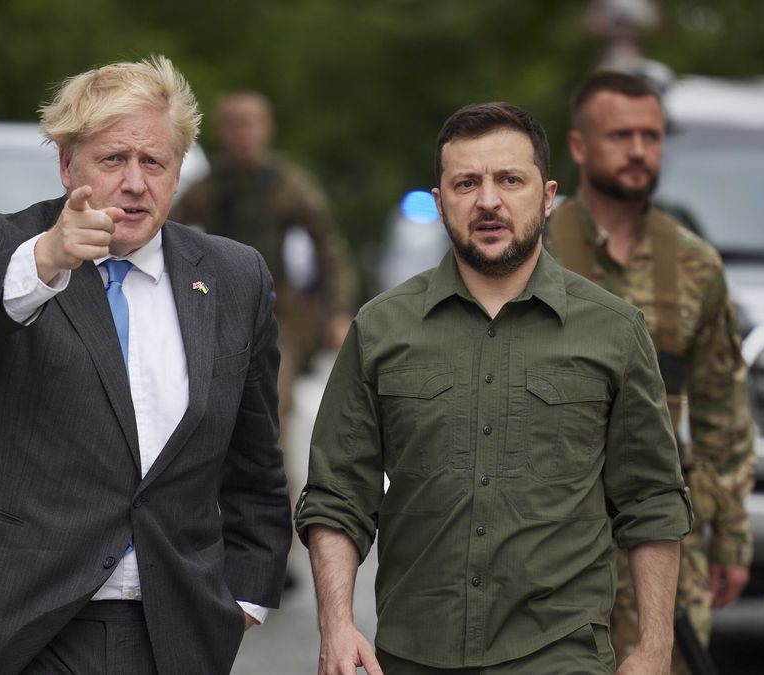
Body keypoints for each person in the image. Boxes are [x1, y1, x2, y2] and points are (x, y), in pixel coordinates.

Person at [0, 56, 292, 675]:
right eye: (113, 159)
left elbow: (255, 463)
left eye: (154, 162)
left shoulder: (234, 276)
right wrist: (46, 260)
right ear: (67, 165)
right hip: (16, 629)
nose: (135, 182)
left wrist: (244, 597)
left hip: (172, 632)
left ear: (178, 172)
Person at [296, 102, 693, 675]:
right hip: (414, 653)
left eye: (510, 180)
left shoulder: (613, 330)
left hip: (559, 652)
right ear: (440, 204)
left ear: (547, 196)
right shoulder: (380, 328)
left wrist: (655, 649)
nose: (488, 201)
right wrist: (335, 624)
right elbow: (338, 494)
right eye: (466, 183)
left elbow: (651, 499)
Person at [545, 70, 755, 674]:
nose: (639, 151)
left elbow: (721, 405)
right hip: (548, 531)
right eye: (621, 136)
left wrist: (732, 534)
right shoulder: (532, 249)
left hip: (662, 534)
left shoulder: (693, 263)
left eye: (651, 136)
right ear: (579, 146)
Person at [170, 90, 359, 495]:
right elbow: (168, 239)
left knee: (270, 410)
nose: (243, 134)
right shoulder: (208, 189)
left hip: (279, 320)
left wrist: (338, 313)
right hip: (217, 314)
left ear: (267, 128)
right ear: (220, 131)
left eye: (251, 123)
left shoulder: (289, 186)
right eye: (234, 124)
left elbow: (330, 249)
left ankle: (274, 511)